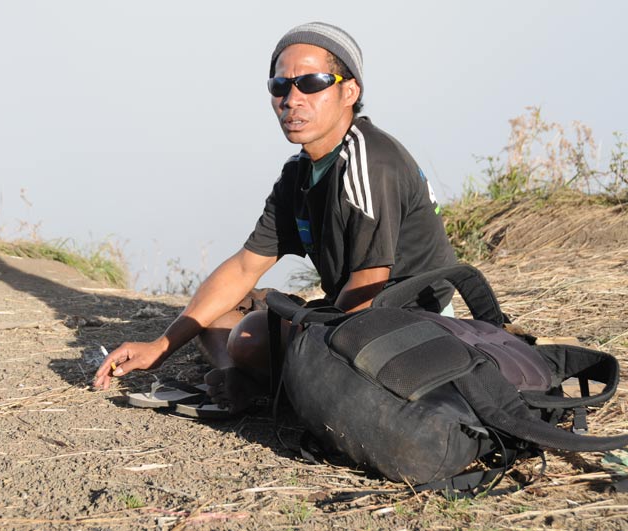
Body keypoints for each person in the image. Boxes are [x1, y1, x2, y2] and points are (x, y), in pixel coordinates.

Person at [93, 22, 457, 413]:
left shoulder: (369, 160)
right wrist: (161, 346)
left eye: (311, 83)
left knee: (250, 333)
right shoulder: (298, 174)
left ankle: (271, 384)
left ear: (349, 91)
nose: (292, 99)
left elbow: (370, 285)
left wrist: (311, 348)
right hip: (348, 314)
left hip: (408, 327)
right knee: (214, 315)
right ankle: (239, 378)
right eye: (280, 86)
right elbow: (245, 267)